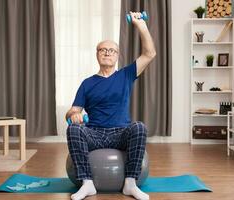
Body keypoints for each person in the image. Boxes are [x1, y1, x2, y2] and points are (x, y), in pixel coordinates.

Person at [65, 11, 156, 200]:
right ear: (97, 54)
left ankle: (130, 184)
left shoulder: (126, 75)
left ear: (117, 56)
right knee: (74, 129)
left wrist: (140, 24)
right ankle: (87, 184)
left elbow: (150, 53)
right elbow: (73, 110)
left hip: (121, 132)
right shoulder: (87, 83)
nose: (107, 52)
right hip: (95, 133)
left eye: (111, 50)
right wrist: (73, 115)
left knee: (139, 127)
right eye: (102, 49)